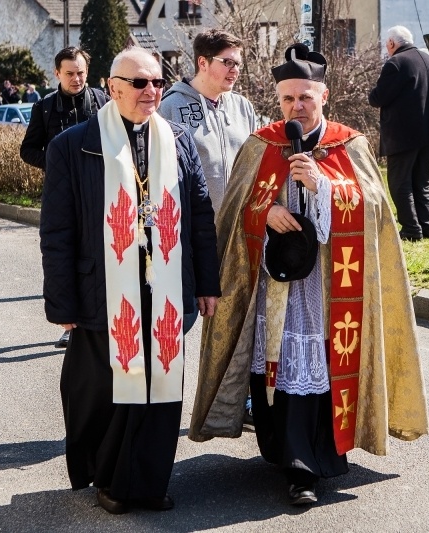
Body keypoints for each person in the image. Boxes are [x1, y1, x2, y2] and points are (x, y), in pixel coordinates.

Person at [189, 43, 428, 507]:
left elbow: (376, 209)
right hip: (276, 288)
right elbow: (238, 211)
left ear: (325, 95)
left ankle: (308, 463)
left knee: (318, 368)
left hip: (331, 289)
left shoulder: (349, 143)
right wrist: (267, 211)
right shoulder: (263, 144)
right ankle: (286, 454)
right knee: (279, 368)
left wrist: (324, 186)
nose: (296, 107)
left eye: (305, 98)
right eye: (287, 99)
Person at [40, 46, 220, 514]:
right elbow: (57, 233)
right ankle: (111, 481)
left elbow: (200, 217)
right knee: (112, 392)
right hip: (102, 291)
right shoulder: (72, 145)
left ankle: (150, 480)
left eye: (157, 82)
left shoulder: (178, 141)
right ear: (113, 86)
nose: (151, 91)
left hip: (164, 289)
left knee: (160, 392)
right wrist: (61, 306)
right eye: (140, 83)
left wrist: (207, 283)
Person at [157, 28, 256, 345]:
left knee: (236, 328)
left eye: (238, 63)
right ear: (203, 62)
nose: (235, 70)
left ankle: (230, 395)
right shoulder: (170, 108)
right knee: (176, 324)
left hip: (237, 238)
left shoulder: (242, 108)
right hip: (189, 240)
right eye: (227, 62)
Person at [21, 46, 108, 349]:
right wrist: (58, 163)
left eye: (81, 72)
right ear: (56, 73)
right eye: (70, 73)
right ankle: (70, 325)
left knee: (96, 257)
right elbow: (27, 150)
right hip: (61, 196)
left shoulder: (102, 101)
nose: (76, 78)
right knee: (64, 258)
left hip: (99, 193)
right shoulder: (44, 107)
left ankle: (98, 320)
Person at [368, 25, 429, 241]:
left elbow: (378, 97)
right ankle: (428, 228)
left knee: (400, 182)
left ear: (392, 43)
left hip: (404, 134)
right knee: (423, 183)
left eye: (387, 45)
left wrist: (372, 93)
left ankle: (411, 229)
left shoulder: (396, 63)